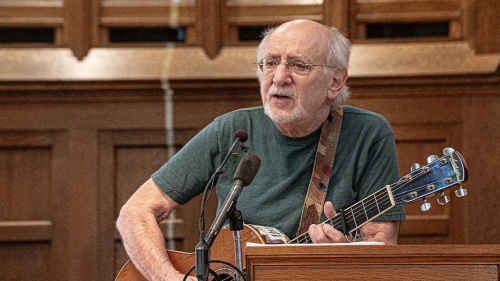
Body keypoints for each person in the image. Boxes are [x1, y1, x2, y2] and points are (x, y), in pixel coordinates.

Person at [117, 19, 405, 281]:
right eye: (269, 63)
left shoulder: (369, 134)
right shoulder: (233, 130)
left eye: (299, 65)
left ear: (335, 81)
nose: (279, 77)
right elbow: (135, 213)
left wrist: (346, 255)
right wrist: (169, 278)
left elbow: (381, 245)